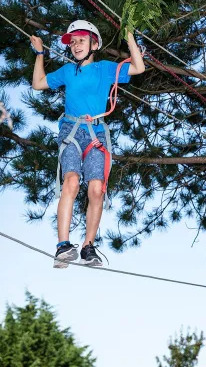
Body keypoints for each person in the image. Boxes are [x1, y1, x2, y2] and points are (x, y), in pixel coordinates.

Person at [30, 20, 145, 268]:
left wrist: (129, 37)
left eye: (81, 40)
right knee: (71, 181)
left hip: (96, 135)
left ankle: (88, 246)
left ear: (94, 44)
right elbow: (38, 83)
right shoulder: (67, 71)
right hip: (71, 131)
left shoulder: (104, 68)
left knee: (96, 189)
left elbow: (138, 67)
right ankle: (63, 246)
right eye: (72, 42)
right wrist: (40, 53)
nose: (75, 45)